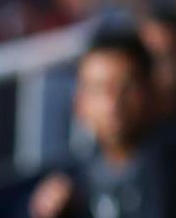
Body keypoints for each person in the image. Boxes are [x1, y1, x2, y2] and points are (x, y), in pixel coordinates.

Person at [29, 30, 166, 218]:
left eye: (125, 87)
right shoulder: (68, 189)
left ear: (150, 91)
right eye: (98, 89)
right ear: (79, 103)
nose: (112, 103)